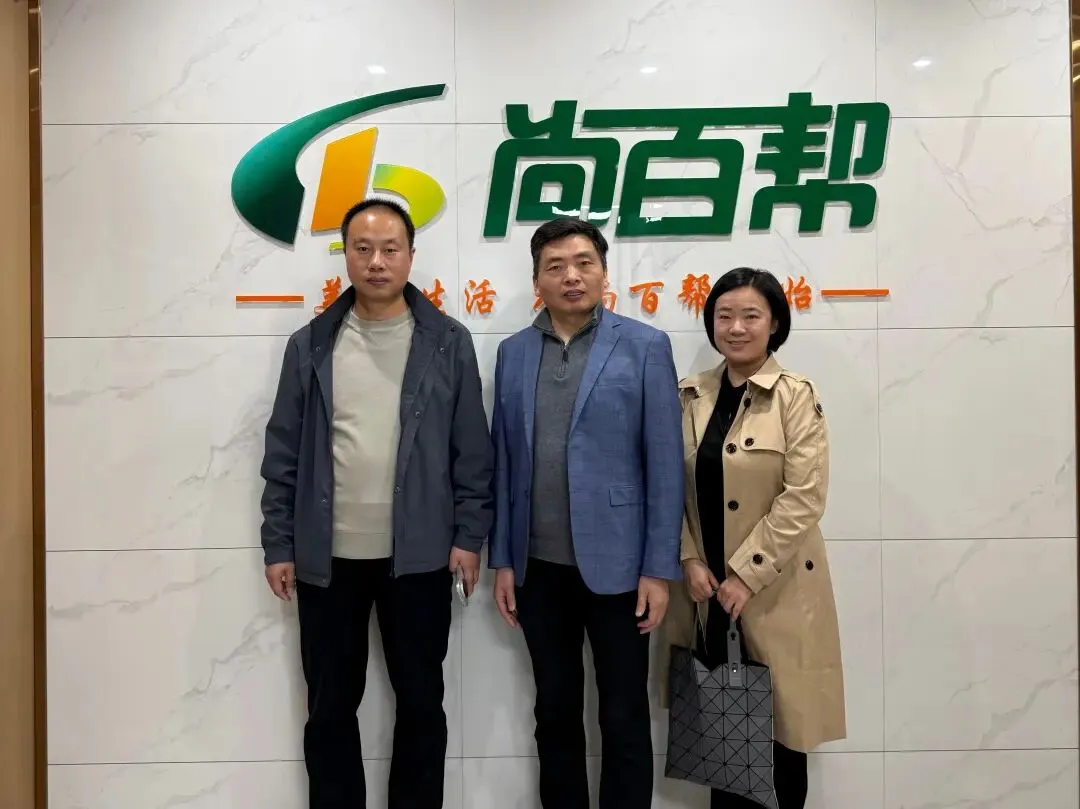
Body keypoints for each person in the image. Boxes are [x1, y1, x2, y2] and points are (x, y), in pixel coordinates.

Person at [258, 198, 493, 809]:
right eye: (362, 249)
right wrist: (279, 543)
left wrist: (468, 537)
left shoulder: (447, 342)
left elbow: (472, 450)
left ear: (411, 255)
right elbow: (282, 452)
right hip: (326, 560)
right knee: (330, 707)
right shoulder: (311, 344)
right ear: (347, 257)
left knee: (421, 703)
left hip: (419, 559)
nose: (377, 261)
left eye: (390, 249)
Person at [488, 216, 685, 809]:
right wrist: (504, 560)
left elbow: (665, 465)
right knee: (553, 710)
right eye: (555, 266)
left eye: (583, 264)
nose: (571, 276)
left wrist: (657, 569)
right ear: (537, 281)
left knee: (623, 712)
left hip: (621, 568)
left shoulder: (645, 346)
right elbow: (504, 462)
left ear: (603, 273)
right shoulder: (512, 353)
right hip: (538, 567)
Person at [665, 267, 846, 809]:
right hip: (706, 594)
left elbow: (805, 496)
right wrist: (689, 558)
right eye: (724, 316)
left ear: (775, 325)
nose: (736, 328)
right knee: (724, 739)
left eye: (750, 316)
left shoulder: (795, 396)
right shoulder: (690, 395)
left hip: (776, 591)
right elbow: (666, 488)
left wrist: (746, 574)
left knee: (781, 743)